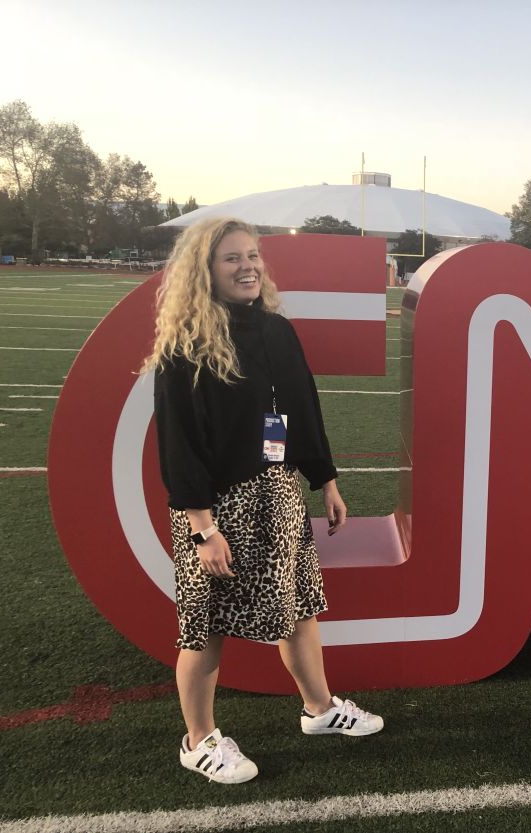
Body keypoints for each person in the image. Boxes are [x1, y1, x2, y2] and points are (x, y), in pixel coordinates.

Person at [143, 216, 383, 784]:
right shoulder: (185, 346)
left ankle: (320, 710)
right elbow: (179, 446)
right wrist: (203, 527)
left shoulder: (276, 330)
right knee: (206, 627)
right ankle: (198, 740)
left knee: (299, 606)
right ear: (205, 270)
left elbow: (301, 408)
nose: (248, 266)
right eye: (232, 258)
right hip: (216, 510)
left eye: (252, 255)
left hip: (278, 493)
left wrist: (325, 479)